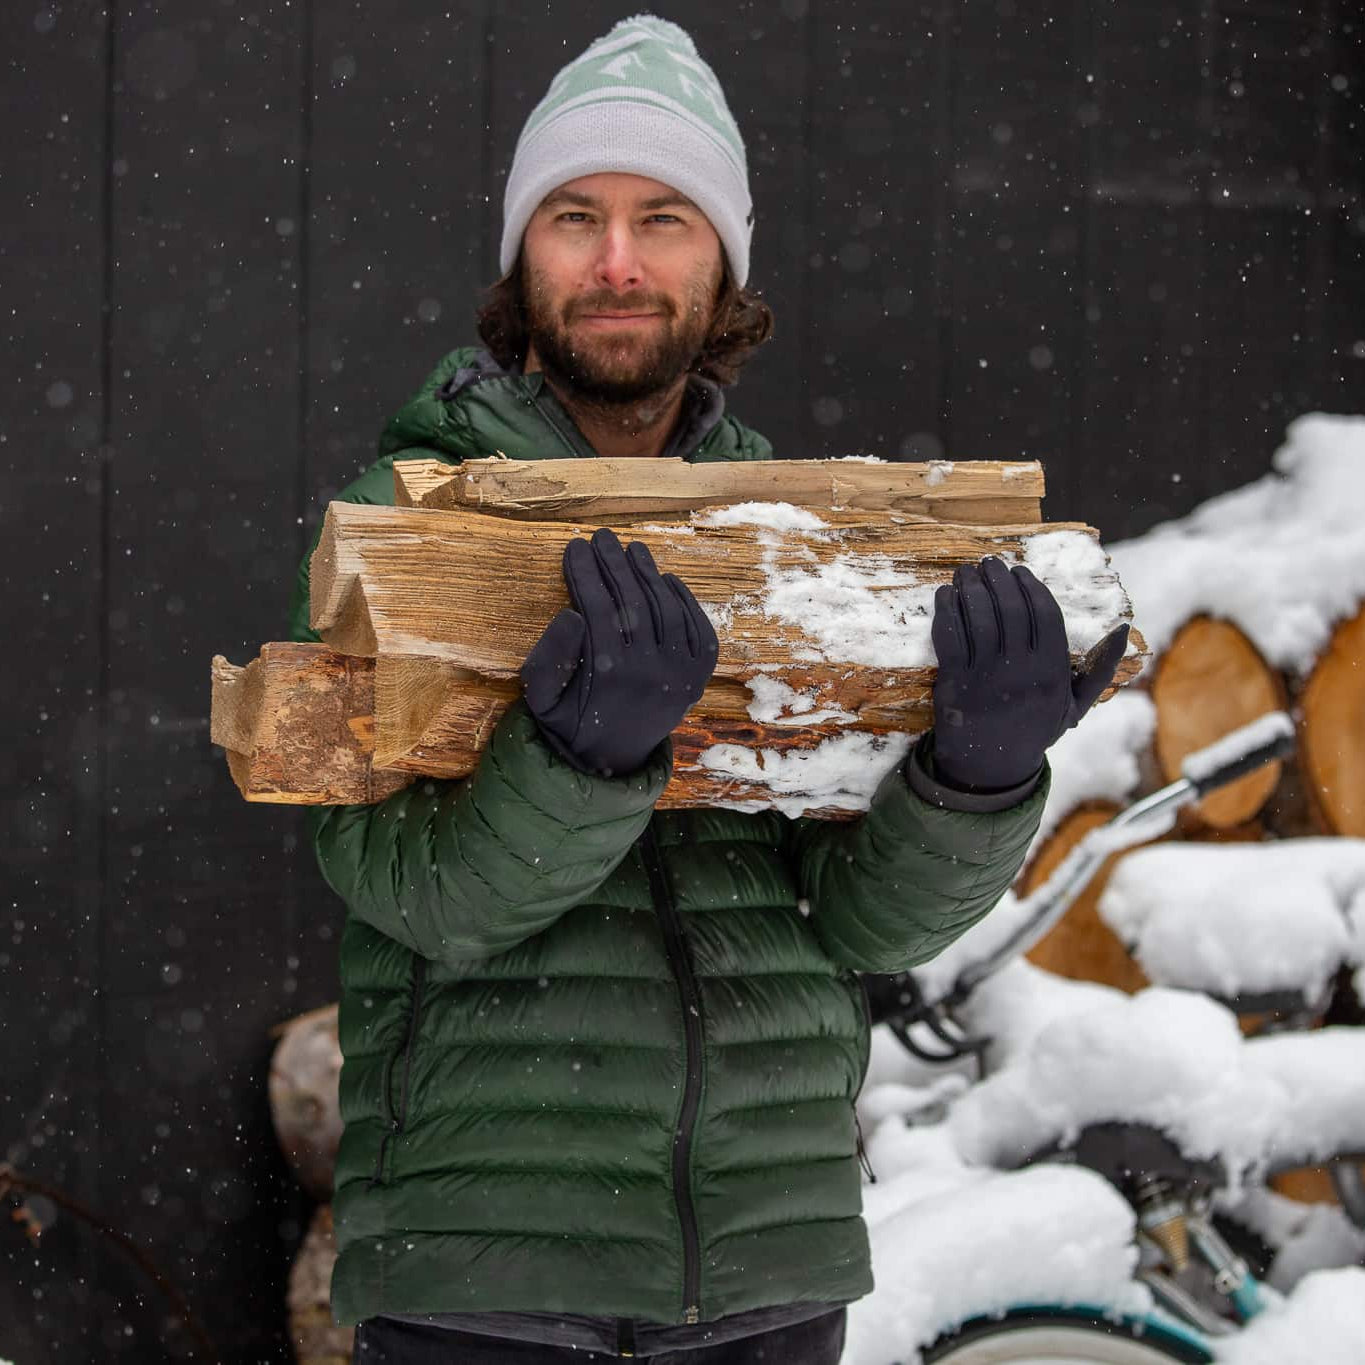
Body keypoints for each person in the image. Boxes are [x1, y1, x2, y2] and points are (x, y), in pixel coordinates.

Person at [286, 16, 1127, 1364]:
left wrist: (972, 777)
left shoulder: (804, 543)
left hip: (768, 1268)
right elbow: (422, 894)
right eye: (574, 215)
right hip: (489, 1272)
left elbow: (860, 927)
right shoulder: (400, 529)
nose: (617, 261)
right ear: (522, 253)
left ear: (722, 259)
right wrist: (575, 756)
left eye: (662, 217)